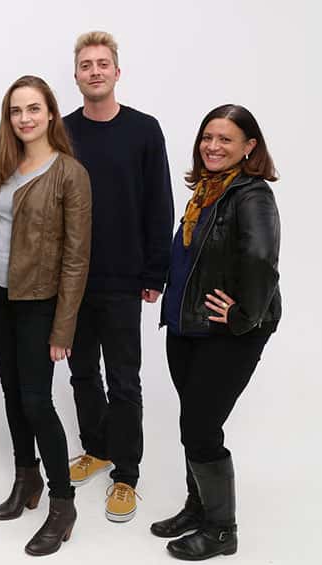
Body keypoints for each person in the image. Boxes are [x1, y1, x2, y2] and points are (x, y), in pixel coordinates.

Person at [151, 104, 280, 561]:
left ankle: (223, 531)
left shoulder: (251, 194)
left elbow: (262, 260)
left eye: (226, 139)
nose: (213, 146)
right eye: (208, 136)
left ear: (249, 146)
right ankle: (199, 507)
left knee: (202, 427)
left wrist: (244, 316)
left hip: (227, 334)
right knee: (193, 422)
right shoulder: (206, 192)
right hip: (187, 327)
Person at [0, 75, 91, 556]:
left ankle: (63, 503)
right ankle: (27, 478)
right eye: (16, 110)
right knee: (11, 391)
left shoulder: (70, 173)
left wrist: (64, 327)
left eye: (34, 108)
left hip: (38, 300)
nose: (25, 118)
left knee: (37, 400)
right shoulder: (6, 162)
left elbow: (77, 258)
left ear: (51, 113)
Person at [63, 30, 174, 522]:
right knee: (82, 372)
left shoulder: (144, 130)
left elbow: (159, 202)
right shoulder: (62, 132)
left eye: (102, 63)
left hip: (125, 278)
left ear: (116, 71)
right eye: (86, 65)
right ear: (76, 75)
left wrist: (156, 271)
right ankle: (97, 448)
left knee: (124, 380)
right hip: (73, 280)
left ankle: (126, 474)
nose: (95, 71)